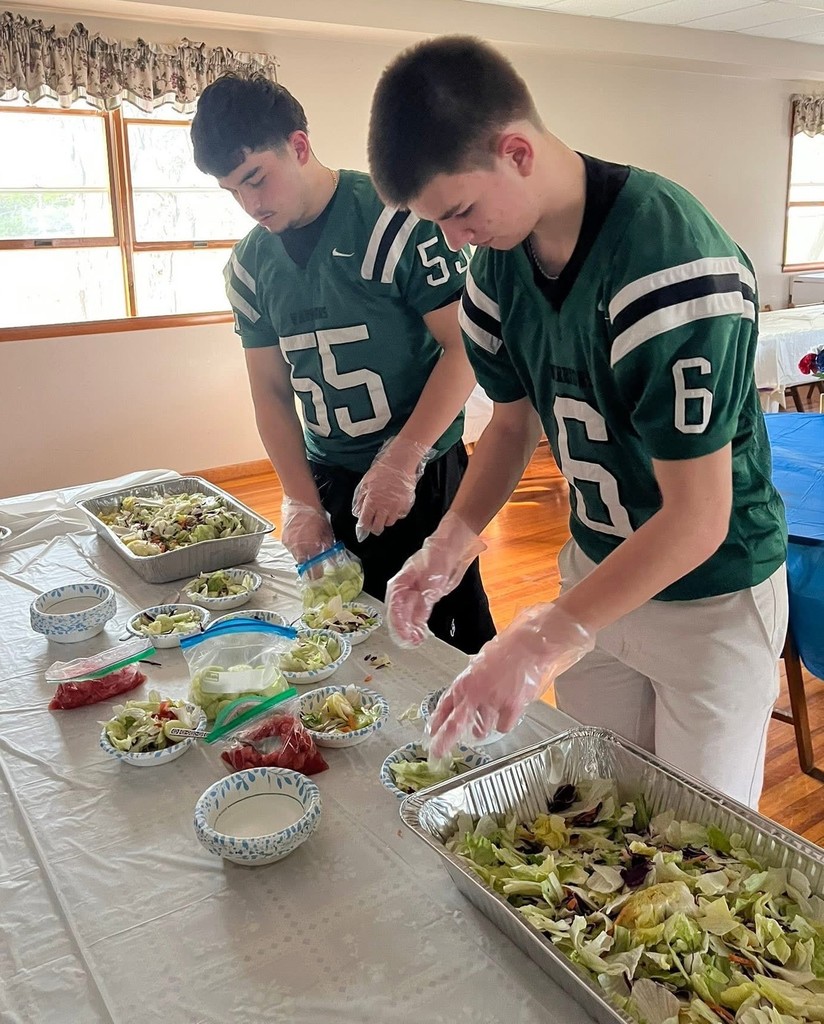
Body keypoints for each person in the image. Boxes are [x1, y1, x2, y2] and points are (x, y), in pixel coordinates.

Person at [367, 36, 788, 807]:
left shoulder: (670, 261)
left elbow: (697, 518)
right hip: (593, 565)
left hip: (709, 594)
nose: (455, 239)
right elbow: (509, 424)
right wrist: (451, 539)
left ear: (517, 152)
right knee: (602, 808)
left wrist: (544, 635)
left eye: (459, 211)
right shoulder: (498, 262)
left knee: (698, 840)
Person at [191, 74, 495, 654]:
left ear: (299, 147)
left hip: (422, 470)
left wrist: (404, 456)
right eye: (232, 190)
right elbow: (271, 394)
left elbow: (466, 349)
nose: (251, 203)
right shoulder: (251, 265)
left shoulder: (395, 221)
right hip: (330, 471)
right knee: (348, 636)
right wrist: (300, 498)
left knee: (443, 641)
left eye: (256, 178)